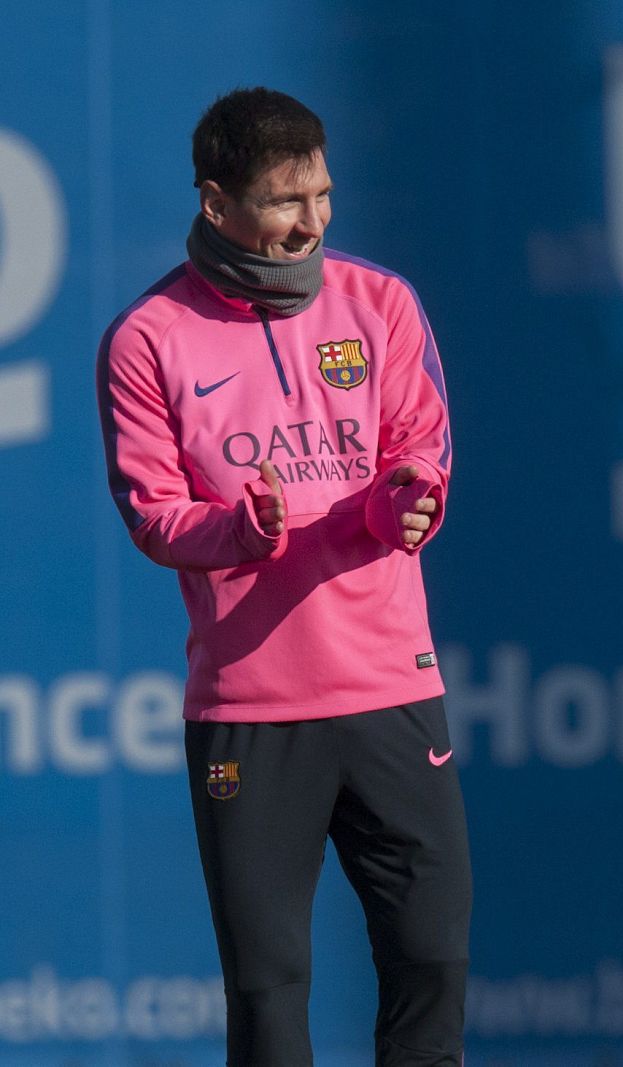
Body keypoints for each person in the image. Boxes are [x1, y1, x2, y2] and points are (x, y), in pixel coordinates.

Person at [95, 87, 470, 1066]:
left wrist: (401, 503)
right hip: (251, 712)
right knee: (268, 993)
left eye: (324, 193)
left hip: (394, 688)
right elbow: (152, 511)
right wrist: (238, 529)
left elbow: (418, 449)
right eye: (283, 200)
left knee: (430, 960)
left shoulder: (380, 303)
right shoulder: (147, 340)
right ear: (217, 205)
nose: (312, 220)